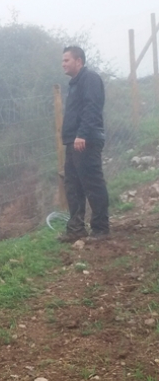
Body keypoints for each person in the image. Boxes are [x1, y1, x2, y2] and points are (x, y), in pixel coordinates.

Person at [58, 46, 110, 242]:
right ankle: (76, 229)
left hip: (85, 140)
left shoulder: (90, 79)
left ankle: (101, 229)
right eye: (62, 61)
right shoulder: (75, 83)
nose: (63, 64)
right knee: (73, 185)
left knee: (92, 183)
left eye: (66, 60)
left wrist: (83, 134)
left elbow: (92, 107)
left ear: (78, 61)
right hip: (74, 141)